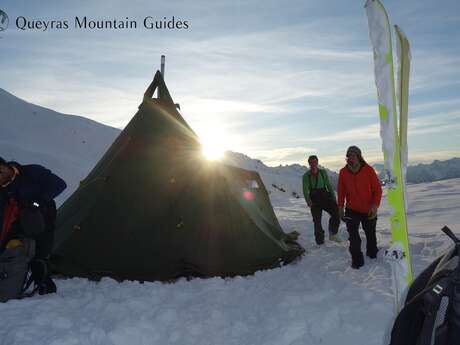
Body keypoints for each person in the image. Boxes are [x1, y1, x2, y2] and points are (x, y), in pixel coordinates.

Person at [0, 157, 66, 294]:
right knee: (14, 252)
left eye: (0, 170)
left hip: (42, 219)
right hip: (17, 223)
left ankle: (45, 288)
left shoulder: (31, 172)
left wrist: (38, 201)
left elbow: (59, 184)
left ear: (5, 166)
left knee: (40, 255)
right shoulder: (3, 190)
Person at [337, 146, 382, 269]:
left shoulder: (368, 170)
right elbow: (341, 192)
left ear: (359, 156)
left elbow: (377, 189)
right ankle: (357, 260)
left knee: (370, 233)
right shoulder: (343, 172)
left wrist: (375, 206)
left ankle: (372, 252)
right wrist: (340, 207)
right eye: (348, 155)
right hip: (352, 210)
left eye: (353, 155)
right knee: (353, 236)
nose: (350, 158)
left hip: (369, 209)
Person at [302, 155, 341, 245]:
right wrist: (308, 200)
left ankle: (332, 233)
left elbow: (328, 185)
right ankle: (320, 241)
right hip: (314, 198)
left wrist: (333, 197)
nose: (313, 164)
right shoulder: (306, 176)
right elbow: (305, 189)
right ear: (309, 163)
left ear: (317, 162)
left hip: (325, 196)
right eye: (311, 162)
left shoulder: (323, 173)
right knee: (317, 220)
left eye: (314, 162)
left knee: (336, 212)